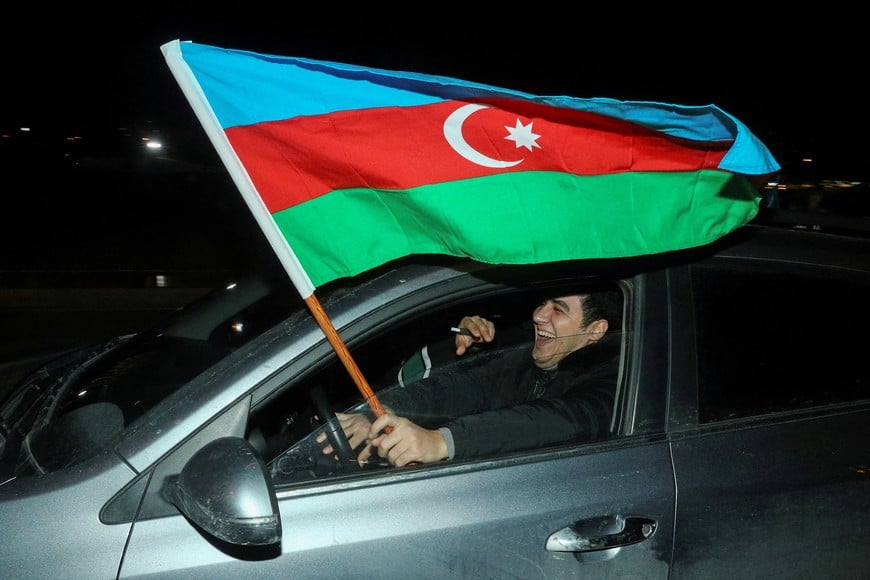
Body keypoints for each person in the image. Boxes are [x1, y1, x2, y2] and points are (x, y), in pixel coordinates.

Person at [320, 287, 622, 467]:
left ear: (595, 330)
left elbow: (547, 422)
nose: (539, 315)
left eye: (558, 309)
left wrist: (440, 442)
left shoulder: (612, 383)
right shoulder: (525, 359)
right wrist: (377, 413)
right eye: (542, 303)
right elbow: (458, 387)